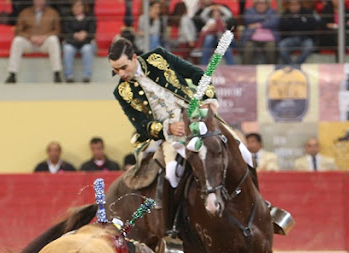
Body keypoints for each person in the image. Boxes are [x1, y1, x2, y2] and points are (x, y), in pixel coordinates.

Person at [108, 37, 257, 188]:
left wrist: (208, 101)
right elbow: (141, 126)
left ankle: (256, 195)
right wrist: (168, 127)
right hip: (170, 135)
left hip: (195, 114)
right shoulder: (121, 92)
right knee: (171, 173)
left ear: (134, 57)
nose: (121, 74)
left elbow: (197, 74)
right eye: (116, 70)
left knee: (243, 153)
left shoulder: (158, 57)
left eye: (124, 67)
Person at [4, 0, 62, 84]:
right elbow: (18, 31)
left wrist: (45, 37)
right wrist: (30, 37)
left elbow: (57, 31)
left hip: (45, 43)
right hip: (29, 42)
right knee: (17, 41)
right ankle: (12, 74)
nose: (39, 1)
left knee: (53, 40)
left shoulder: (53, 13)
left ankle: (57, 73)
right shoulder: (25, 12)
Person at [62, 0, 96, 83]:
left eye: (79, 6)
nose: (76, 8)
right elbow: (65, 31)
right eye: (74, 6)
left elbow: (92, 31)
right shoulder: (67, 17)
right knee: (67, 49)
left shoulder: (90, 17)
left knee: (87, 49)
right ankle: (69, 75)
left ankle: (87, 76)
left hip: (86, 42)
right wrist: (75, 35)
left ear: (84, 7)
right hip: (72, 42)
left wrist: (85, 34)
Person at [278, 0, 317, 66]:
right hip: (290, 38)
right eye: (292, 5)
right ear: (289, 6)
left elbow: (312, 26)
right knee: (281, 45)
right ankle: (290, 65)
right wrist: (300, 22)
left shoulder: (307, 12)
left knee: (309, 46)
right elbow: (282, 27)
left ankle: (296, 65)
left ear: (300, 5)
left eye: (296, 4)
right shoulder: (285, 14)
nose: (294, 7)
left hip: (305, 38)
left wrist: (293, 23)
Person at [240, 0, 279, 65]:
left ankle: (273, 67)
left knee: (271, 47)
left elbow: (274, 22)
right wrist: (266, 18)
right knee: (248, 46)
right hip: (252, 39)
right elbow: (248, 19)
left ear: (267, 5)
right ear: (255, 5)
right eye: (259, 3)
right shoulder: (249, 11)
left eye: (263, 3)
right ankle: (245, 68)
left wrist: (258, 25)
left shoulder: (272, 11)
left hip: (269, 39)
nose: (261, 6)